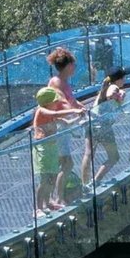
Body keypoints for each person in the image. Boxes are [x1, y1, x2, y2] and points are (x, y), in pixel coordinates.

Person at [32, 87, 86, 217]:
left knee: (52, 177)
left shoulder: (51, 116)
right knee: (44, 179)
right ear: (47, 102)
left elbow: (67, 122)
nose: (57, 103)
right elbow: (54, 114)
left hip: (52, 149)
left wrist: (78, 117)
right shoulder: (42, 111)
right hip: (43, 150)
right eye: (55, 101)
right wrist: (74, 110)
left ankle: (48, 203)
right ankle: (38, 208)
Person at [46, 47, 86, 205]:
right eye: (73, 65)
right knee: (66, 164)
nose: (75, 68)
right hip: (57, 126)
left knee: (61, 164)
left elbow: (71, 100)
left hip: (64, 125)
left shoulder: (64, 82)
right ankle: (58, 198)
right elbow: (62, 102)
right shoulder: (56, 82)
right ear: (68, 66)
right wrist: (75, 111)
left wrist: (81, 107)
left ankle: (52, 199)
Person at [81, 66, 130, 191]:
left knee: (88, 154)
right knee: (114, 157)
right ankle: (96, 181)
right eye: (124, 77)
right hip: (103, 126)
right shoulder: (114, 87)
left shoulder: (105, 87)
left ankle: (84, 184)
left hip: (92, 122)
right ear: (118, 79)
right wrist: (118, 95)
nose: (125, 79)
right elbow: (110, 94)